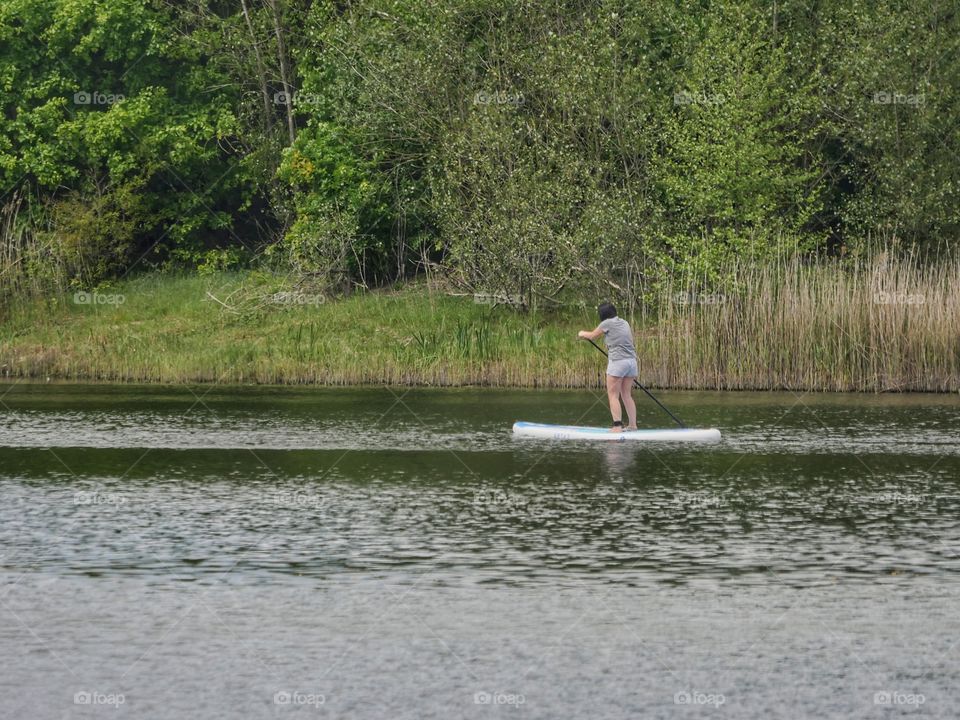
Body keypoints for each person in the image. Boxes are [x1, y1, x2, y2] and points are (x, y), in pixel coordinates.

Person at [577, 302, 638, 432]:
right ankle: (633, 426)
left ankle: (617, 427)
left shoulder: (607, 323)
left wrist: (581, 333)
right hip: (632, 363)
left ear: (603, 314)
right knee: (626, 394)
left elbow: (592, 336)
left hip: (618, 362)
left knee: (613, 395)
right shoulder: (625, 322)